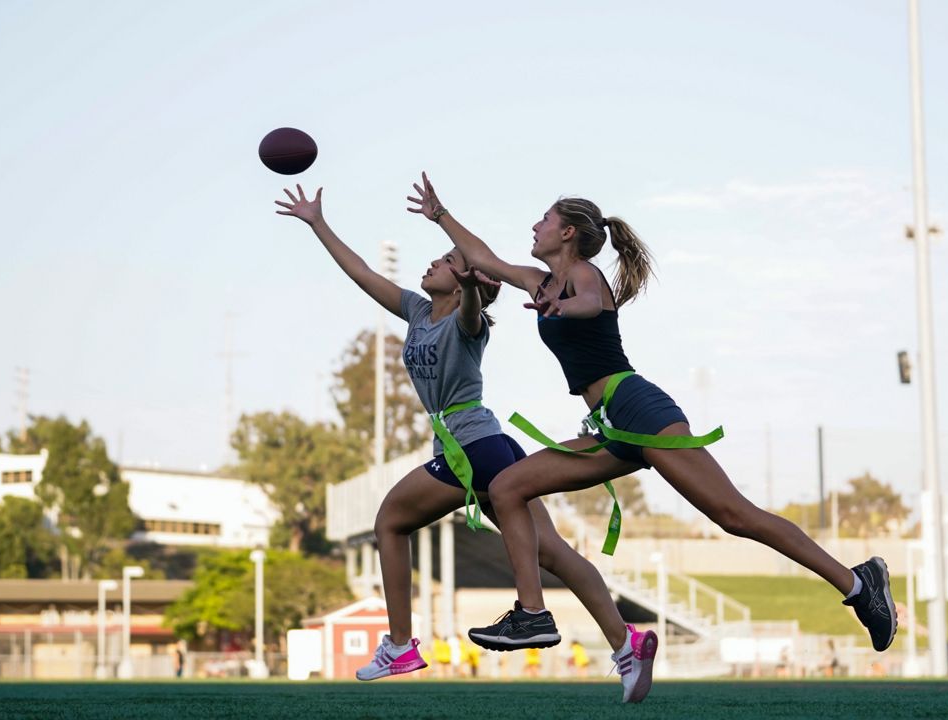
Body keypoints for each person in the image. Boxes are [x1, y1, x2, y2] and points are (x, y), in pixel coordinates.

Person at [407, 173, 898, 658]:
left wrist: (563, 306)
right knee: (509, 486)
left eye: (545, 219)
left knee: (734, 515)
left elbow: (594, 303)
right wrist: (441, 215)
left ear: (567, 233)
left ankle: (858, 583)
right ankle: (532, 614)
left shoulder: (581, 276)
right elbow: (485, 259)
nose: (535, 226)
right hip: (609, 426)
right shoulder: (540, 280)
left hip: (639, 408)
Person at [276, 185, 653, 702]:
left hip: (473, 449)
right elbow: (363, 274)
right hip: (489, 448)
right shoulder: (416, 312)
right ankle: (626, 645)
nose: (433, 264)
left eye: (446, 262)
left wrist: (475, 285)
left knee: (389, 520)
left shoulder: (465, 321)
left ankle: (402, 644)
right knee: (555, 554)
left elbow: (475, 306)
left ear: (463, 283)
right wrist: (318, 223)